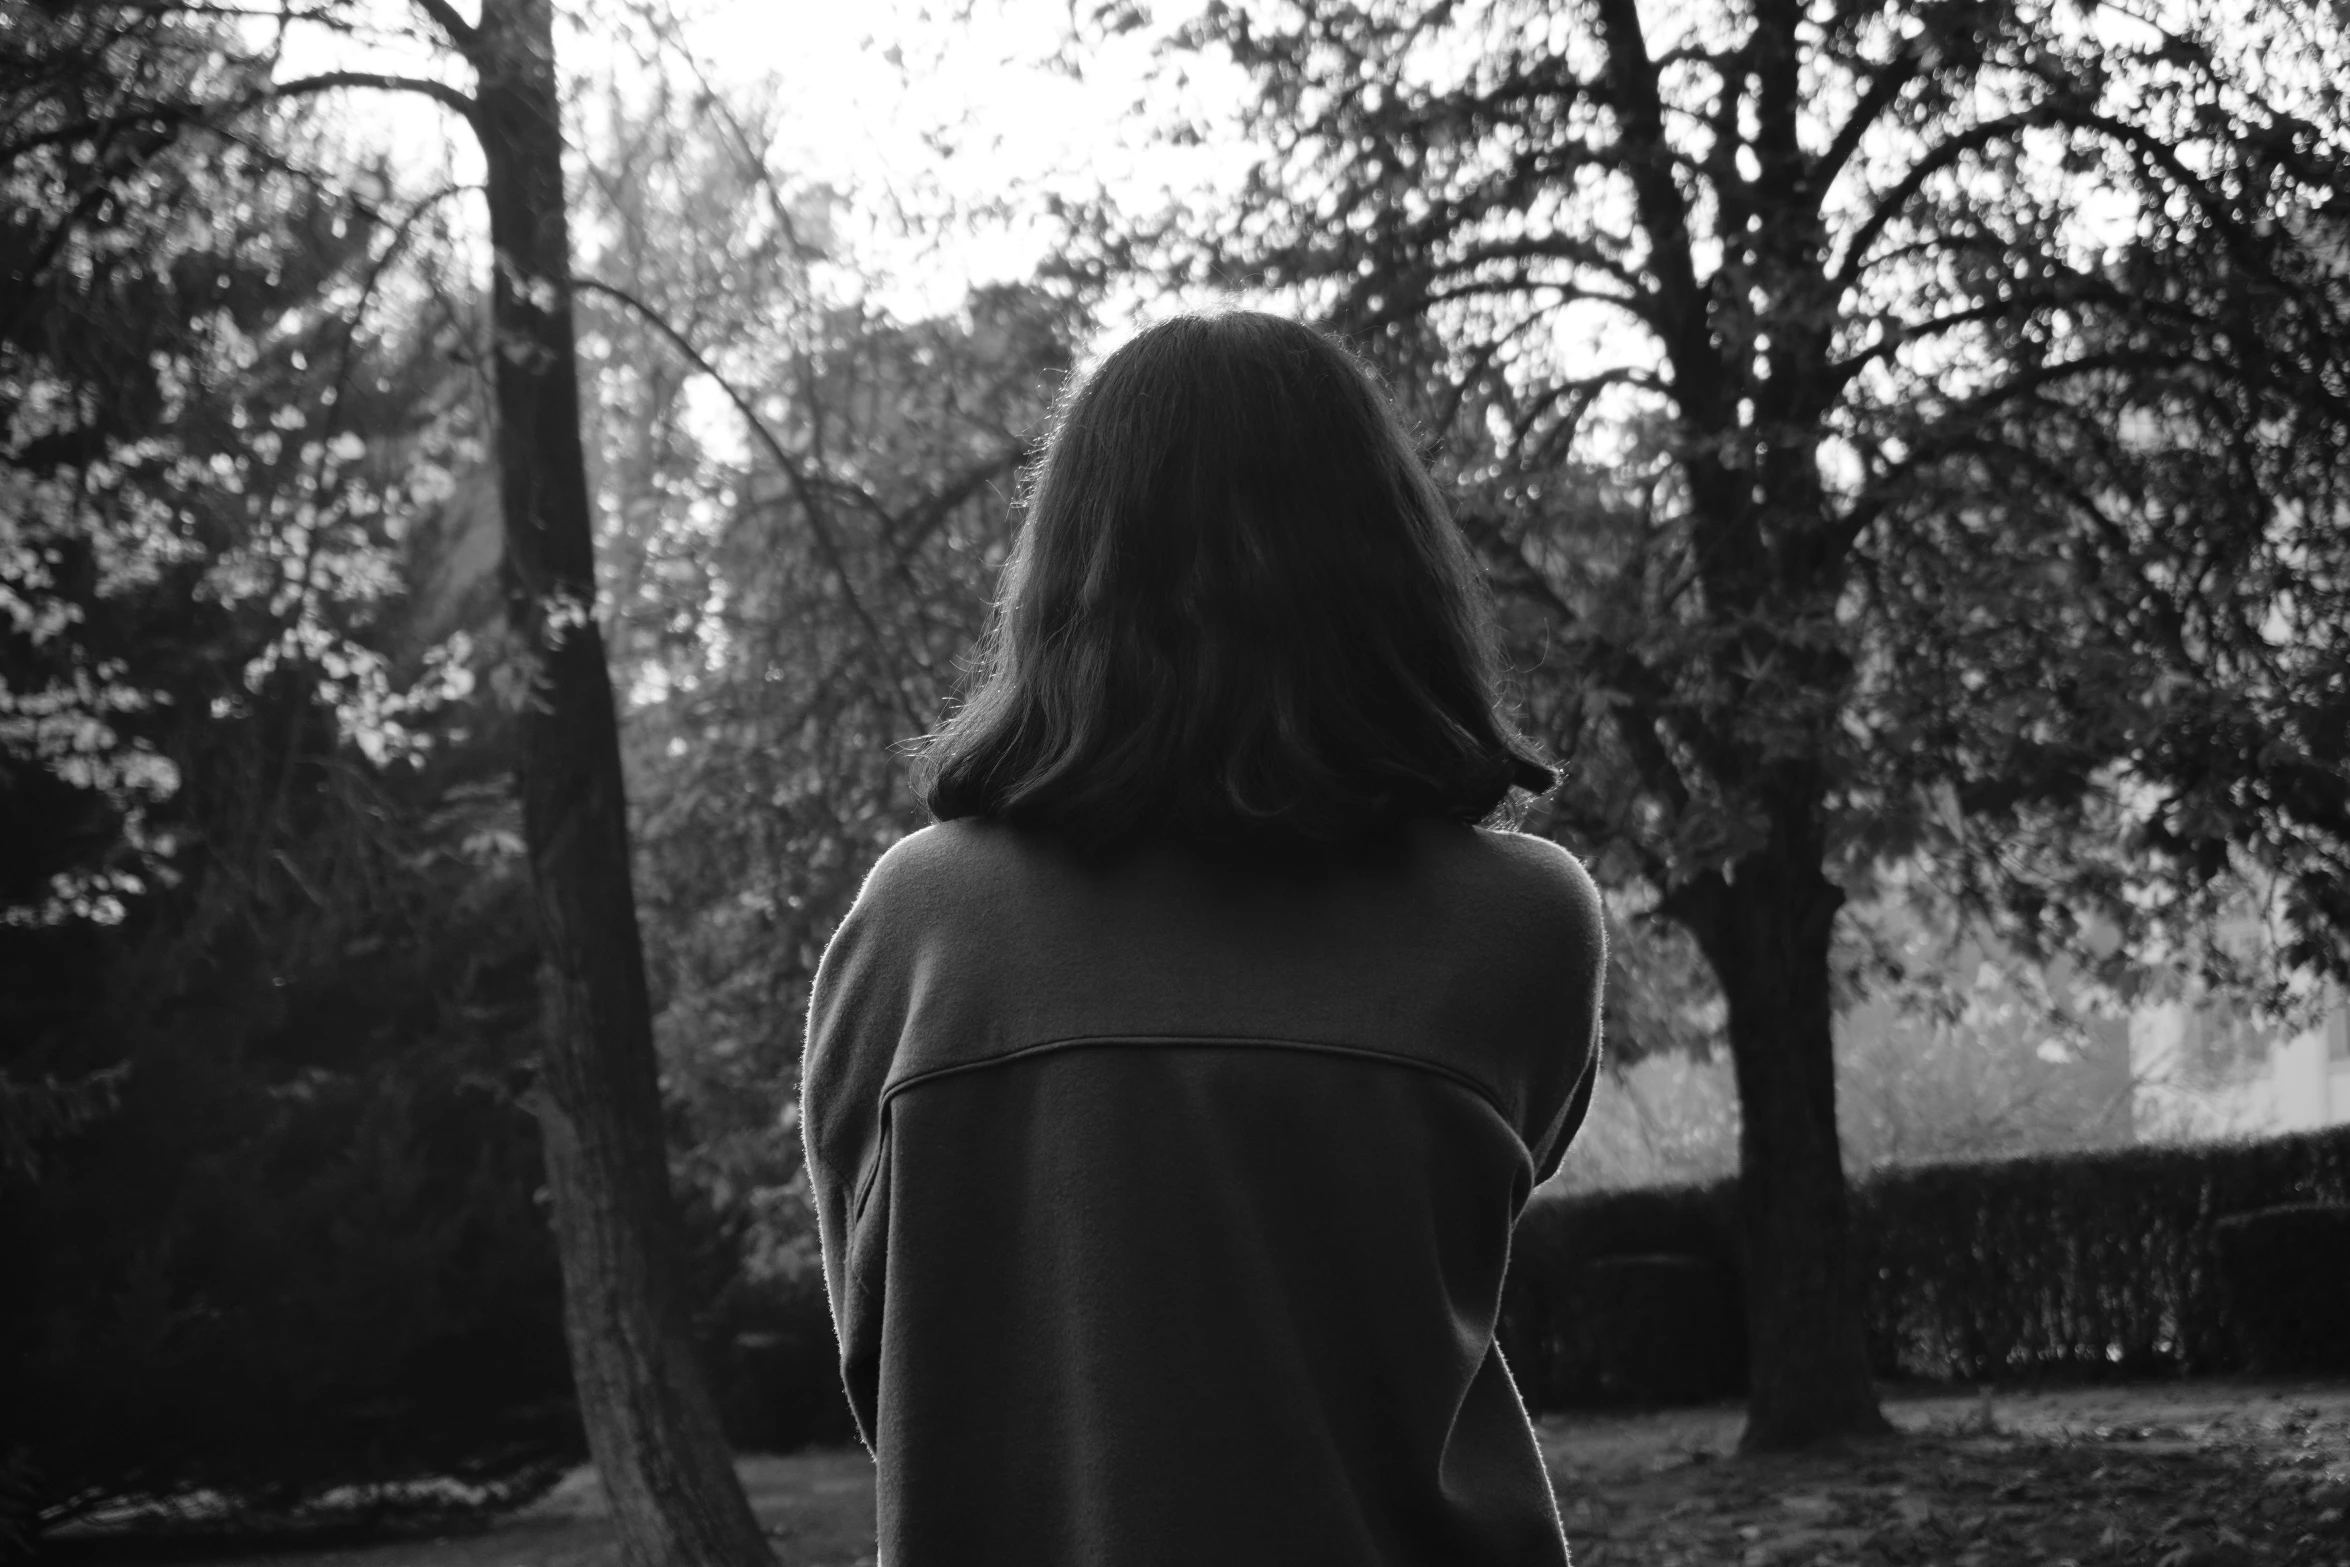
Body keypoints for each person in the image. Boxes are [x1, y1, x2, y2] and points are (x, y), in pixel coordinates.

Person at [801, 310, 1606, 1566]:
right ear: (1390, 567)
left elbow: (883, 1348)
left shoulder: (918, 926)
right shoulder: (1523, 922)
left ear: (1067, 569)